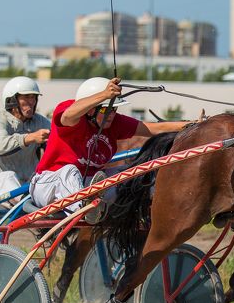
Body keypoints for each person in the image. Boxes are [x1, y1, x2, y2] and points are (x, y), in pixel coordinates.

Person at [29, 76, 191, 219]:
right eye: (106, 109)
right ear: (90, 109)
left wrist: (192, 125)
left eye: (114, 108)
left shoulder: (114, 122)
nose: (112, 114)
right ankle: (84, 210)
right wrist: (104, 95)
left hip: (89, 187)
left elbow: (155, 128)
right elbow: (68, 116)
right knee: (70, 171)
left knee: (130, 171)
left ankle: (151, 206)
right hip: (48, 184)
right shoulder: (70, 113)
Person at [0, 76, 51, 199]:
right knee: (7, 177)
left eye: (33, 97)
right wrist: (29, 138)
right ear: (12, 100)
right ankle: (26, 206)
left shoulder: (40, 121)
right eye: (26, 97)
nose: (31, 102)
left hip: (27, 183)